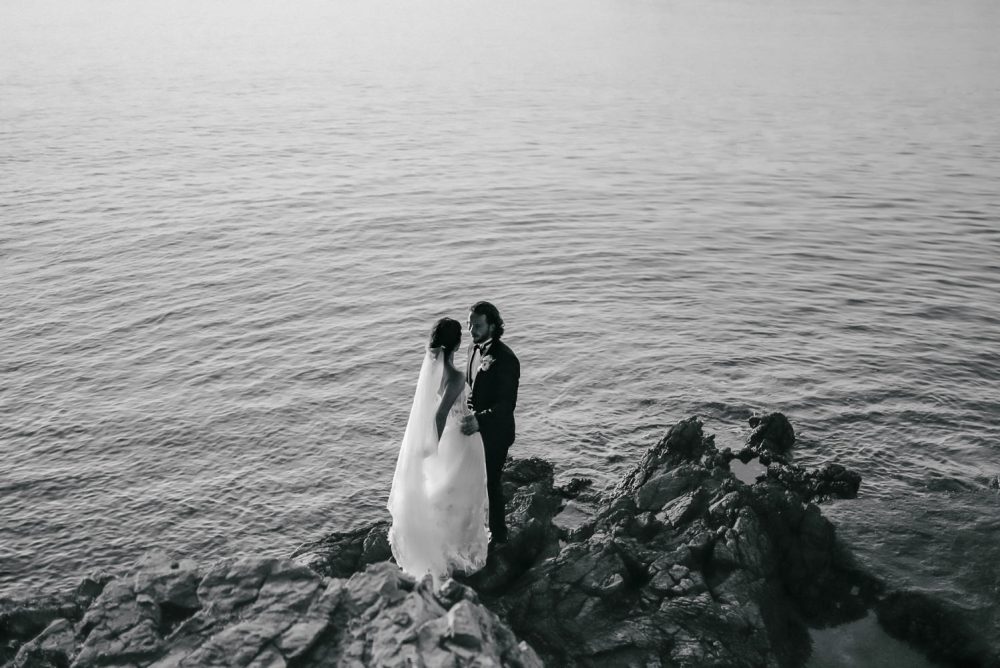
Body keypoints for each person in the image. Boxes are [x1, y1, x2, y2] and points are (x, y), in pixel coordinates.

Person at [387, 318, 488, 585]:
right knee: (465, 495)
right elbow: (440, 415)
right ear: (456, 343)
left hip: (449, 438)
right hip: (461, 442)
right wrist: (433, 447)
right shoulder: (454, 377)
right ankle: (456, 551)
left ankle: (444, 545)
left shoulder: (433, 374)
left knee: (446, 494)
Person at [461, 301, 520, 546]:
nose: (472, 330)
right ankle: (474, 527)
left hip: (496, 431)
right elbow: (472, 387)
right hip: (475, 428)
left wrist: (480, 420)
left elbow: (506, 405)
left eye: (477, 325)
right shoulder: (472, 351)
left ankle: (499, 535)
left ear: (492, 326)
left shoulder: (506, 359)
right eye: (469, 325)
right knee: (471, 480)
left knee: (491, 483)